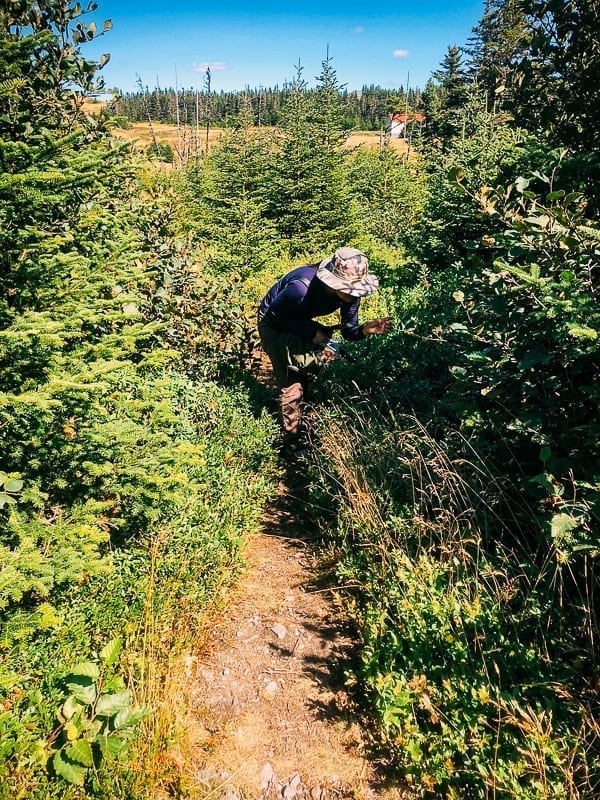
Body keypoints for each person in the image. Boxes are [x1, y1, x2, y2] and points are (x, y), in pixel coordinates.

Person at [257, 246, 391, 446]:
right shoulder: (300, 287)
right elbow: (275, 314)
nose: (354, 294)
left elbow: (348, 331)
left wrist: (363, 330)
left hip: (299, 318)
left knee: (308, 367)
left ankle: (304, 414)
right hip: (273, 320)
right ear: (334, 282)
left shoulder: (351, 295)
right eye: (348, 289)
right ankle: (292, 439)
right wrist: (312, 334)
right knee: (291, 377)